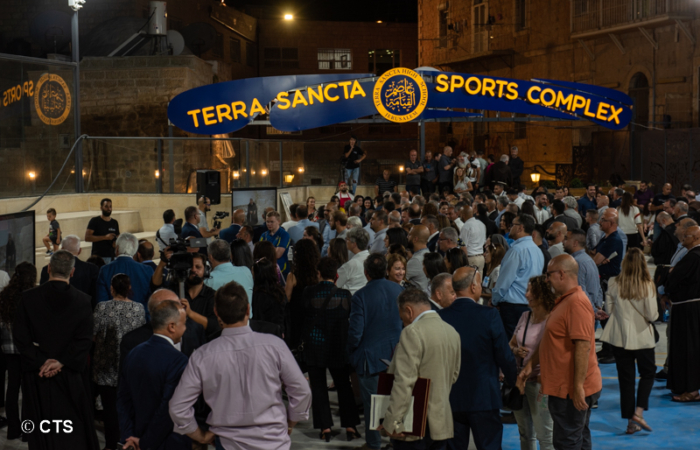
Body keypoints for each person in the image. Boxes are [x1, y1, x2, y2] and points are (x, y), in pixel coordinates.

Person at [169, 282, 312, 449]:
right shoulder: (275, 346)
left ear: (216, 313)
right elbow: (302, 391)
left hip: (228, 442)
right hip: (273, 441)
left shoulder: (202, 356)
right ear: (248, 310)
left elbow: (178, 408)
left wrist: (199, 436)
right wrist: (290, 422)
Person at [12, 250, 100, 449]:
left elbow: (20, 338)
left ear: (49, 268)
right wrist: (61, 361)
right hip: (70, 376)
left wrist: (41, 361)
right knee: (73, 432)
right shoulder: (83, 301)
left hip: (38, 376)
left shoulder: (28, 298)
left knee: (41, 431)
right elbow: (84, 340)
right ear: (72, 272)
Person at [518, 255, 602, 450]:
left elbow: (582, 346)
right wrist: (530, 365)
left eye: (549, 275)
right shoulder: (564, 301)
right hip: (565, 387)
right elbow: (550, 340)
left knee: (567, 441)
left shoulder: (576, 303)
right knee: (578, 435)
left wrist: (578, 387)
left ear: (562, 274)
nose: (546, 279)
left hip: (570, 390)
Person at [438, 267, 518, 450]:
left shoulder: (441, 317)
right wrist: (514, 381)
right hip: (484, 396)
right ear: (474, 287)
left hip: (450, 397)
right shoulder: (489, 315)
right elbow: (504, 355)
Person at [381, 289, 461, 450]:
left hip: (413, 424)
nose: (402, 321)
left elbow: (404, 382)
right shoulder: (452, 332)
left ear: (408, 310)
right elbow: (453, 376)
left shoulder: (412, 332)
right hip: (441, 422)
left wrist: (392, 422)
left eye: (402, 316)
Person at [118, 299, 190, 450]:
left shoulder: (133, 354)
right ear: (172, 326)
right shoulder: (179, 361)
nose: (185, 328)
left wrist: (129, 437)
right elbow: (168, 410)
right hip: (167, 443)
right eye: (183, 323)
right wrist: (145, 443)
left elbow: (123, 401)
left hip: (134, 440)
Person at [302, 257, 361, 442]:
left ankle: (325, 428)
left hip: (315, 346)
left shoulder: (308, 292)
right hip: (338, 346)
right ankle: (350, 426)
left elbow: (303, 316)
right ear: (336, 275)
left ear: (318, 273)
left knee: (318, 387)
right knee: (344, 386)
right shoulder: (344, 295)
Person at [348, 253, 404, 450]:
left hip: (369, 359)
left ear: (366, 273)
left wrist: (351, 352)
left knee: (372, 406)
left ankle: (373, 444)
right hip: (397, 356)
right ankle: (396, 441)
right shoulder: (399, 290)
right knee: (396, 402)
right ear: (386, 270)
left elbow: (355, 332)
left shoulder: (360, 296)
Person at [599, 248, 657, 434]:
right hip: (641, 337)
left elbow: (609, 309)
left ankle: (630, 423)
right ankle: (638, 413)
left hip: (619, 337)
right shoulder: (647, 284)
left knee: (626, 380)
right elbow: (652, 315)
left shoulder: (614, 282)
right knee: (648, 374)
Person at [93, 274, 147, 450]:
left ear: (111, 288)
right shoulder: (139, 309)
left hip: (105, 367)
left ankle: (110, 445)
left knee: (109, 413)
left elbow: (93, 334)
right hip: (129, 367)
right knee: (129, 411)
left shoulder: (102, 308)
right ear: (129, 288)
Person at [509, 276, 556, 450]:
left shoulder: (552, 320)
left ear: (542, 294)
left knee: (545, 435)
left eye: (530, 290)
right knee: (525, 433)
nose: (526, 294)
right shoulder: (525, 316)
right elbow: (512, 343)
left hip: (540, 384)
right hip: (520, 382)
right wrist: (515, 350)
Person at [119, 289, 205, 370]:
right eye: (174, 308)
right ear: (155, 313)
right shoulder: (132, 341)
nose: (181, 311)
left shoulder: (195, 329)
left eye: (180, 306)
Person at [663, 225, 700, 402]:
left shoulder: (693, 256)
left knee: (687, 349)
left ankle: (691, 390)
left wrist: (668, 273)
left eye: (686, 236)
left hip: (687, 310)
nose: (682, 238)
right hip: (692, 308)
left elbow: (673, 278)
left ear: (695, 237)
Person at [492, 214, 545, 338]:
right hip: (530, 304)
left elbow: (504, 282)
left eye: (512, 225)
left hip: (513, 307)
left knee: (512, 346)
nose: (510, 228)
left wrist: (494, 300)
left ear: (520, 228)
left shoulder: (516, 250)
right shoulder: (537, 250)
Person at [0, 262, 36, 440]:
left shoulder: (5, 295)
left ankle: (14, 429)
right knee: (28, 391)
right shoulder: (32, 296)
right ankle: (28, 431)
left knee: (12, 389)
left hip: (8, 348)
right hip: (28, 349)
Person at [96, 233, 154, 314]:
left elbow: (101, 302)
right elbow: (151, 300)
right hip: (141, 320)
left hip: (113, 321)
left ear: (117, 249)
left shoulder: (105, 270)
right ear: (135, 251)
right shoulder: (147, 270)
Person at [39, 234, 99, 304]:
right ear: (79, 251)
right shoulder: (92, 269)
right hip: (83, 310)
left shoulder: (47, 268)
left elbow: (42, 295)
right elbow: (95, 296)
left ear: (62, 249)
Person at [285, 239, 321, 350]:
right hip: (315, 315)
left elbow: (287, 298)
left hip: (296, 318)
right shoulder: (318, 274)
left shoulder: (292, 276)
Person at [205, 239, 254, 311]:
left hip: (220, 321)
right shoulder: (246, 271)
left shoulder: (208, 280)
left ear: (210, 257)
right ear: (230, 254)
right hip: (247, 320)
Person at [564, 229, 603, 312]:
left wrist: (594, 311)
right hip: (591, 309)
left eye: (566, 239)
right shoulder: (589, 259)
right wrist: (598, 307)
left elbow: (581, 291)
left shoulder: (576, 262)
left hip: (584, 311)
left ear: (575, 243)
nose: (563, 242)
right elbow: (598, 287)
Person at [251, 257, 287, 332]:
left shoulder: (258, 296)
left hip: (264, 335)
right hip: (280, 333)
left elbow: (257, 321)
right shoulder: (280, 292)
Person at [337, 227, 371, 295]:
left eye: (347, 239)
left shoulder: (350, 265)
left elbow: (336, 283)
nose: (346, 241)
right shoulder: (370, 258)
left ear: (354, 244)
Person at [86, 198, 120, 263]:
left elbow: (118, 236)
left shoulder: (114, 222)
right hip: (98, 257)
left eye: (110, 206)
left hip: (112, 257)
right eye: (106, 206)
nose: (109, 209)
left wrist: (116, 243)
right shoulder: (95, 221)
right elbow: (87, 237)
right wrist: (105, 237)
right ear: (101, 208)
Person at [261, 210, 292, 276]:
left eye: (272, 222)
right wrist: (273, 249)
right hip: (266, 270)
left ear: (278, 221)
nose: (269, 224)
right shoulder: (264, 235)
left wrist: (265, 250)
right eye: (267, 222)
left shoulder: (284, 234)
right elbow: (258, 252)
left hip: (281, 270)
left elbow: (278, 254)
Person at [459, 204, 487, 271]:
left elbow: (462, 245)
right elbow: (484, 242)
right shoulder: (481, 224)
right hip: (481, 258)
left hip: (471, 258)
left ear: (463, 215)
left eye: (460, 214)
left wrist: (457, 238)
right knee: (478, 280)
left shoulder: (466, 226)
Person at [406, 225, 431, 291]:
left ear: (415, 239)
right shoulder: (428, 253)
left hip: (417, 298)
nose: (407, 237)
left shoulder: (416, 260)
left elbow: (398, 278)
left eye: (409, 235)